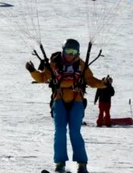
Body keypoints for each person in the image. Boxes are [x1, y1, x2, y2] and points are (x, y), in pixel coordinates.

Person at [25, 39, 107, 173]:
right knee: (60, 131)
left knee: (75, 132)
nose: (70, 54)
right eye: (68, 51)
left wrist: (104, 84)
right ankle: (59, 164)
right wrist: (32, 70)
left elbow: (91, 81)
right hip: (59, 99)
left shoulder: (81, 65)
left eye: (73, 52)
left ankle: (82, 164)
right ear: (63, 51)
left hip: (77, 100)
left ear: (77, 52)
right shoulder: (55, 64)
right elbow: (41, 78)